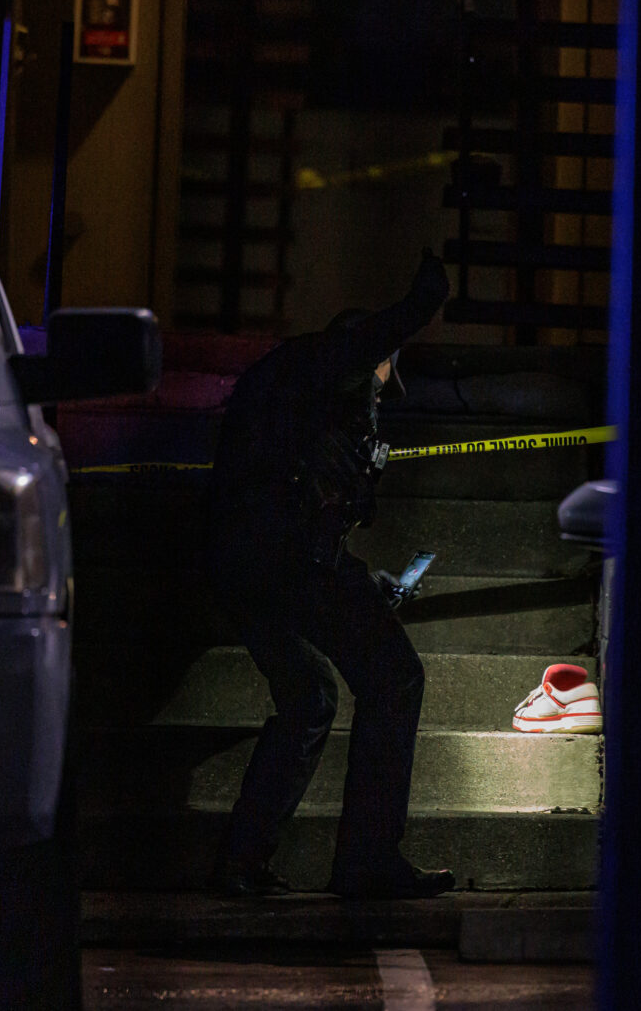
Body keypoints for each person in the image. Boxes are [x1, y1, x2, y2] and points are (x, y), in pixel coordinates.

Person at [205, 248, 455, 898]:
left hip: (253, 564)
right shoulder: (331, 365)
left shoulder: (296, 390)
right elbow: (361, 349)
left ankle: (241, 860)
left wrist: (360, 581)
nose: (380, 393)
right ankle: (368, 858)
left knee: (310, 697)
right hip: (289, 563)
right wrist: (418, 306)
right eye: (384, 374)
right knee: (396, 676)